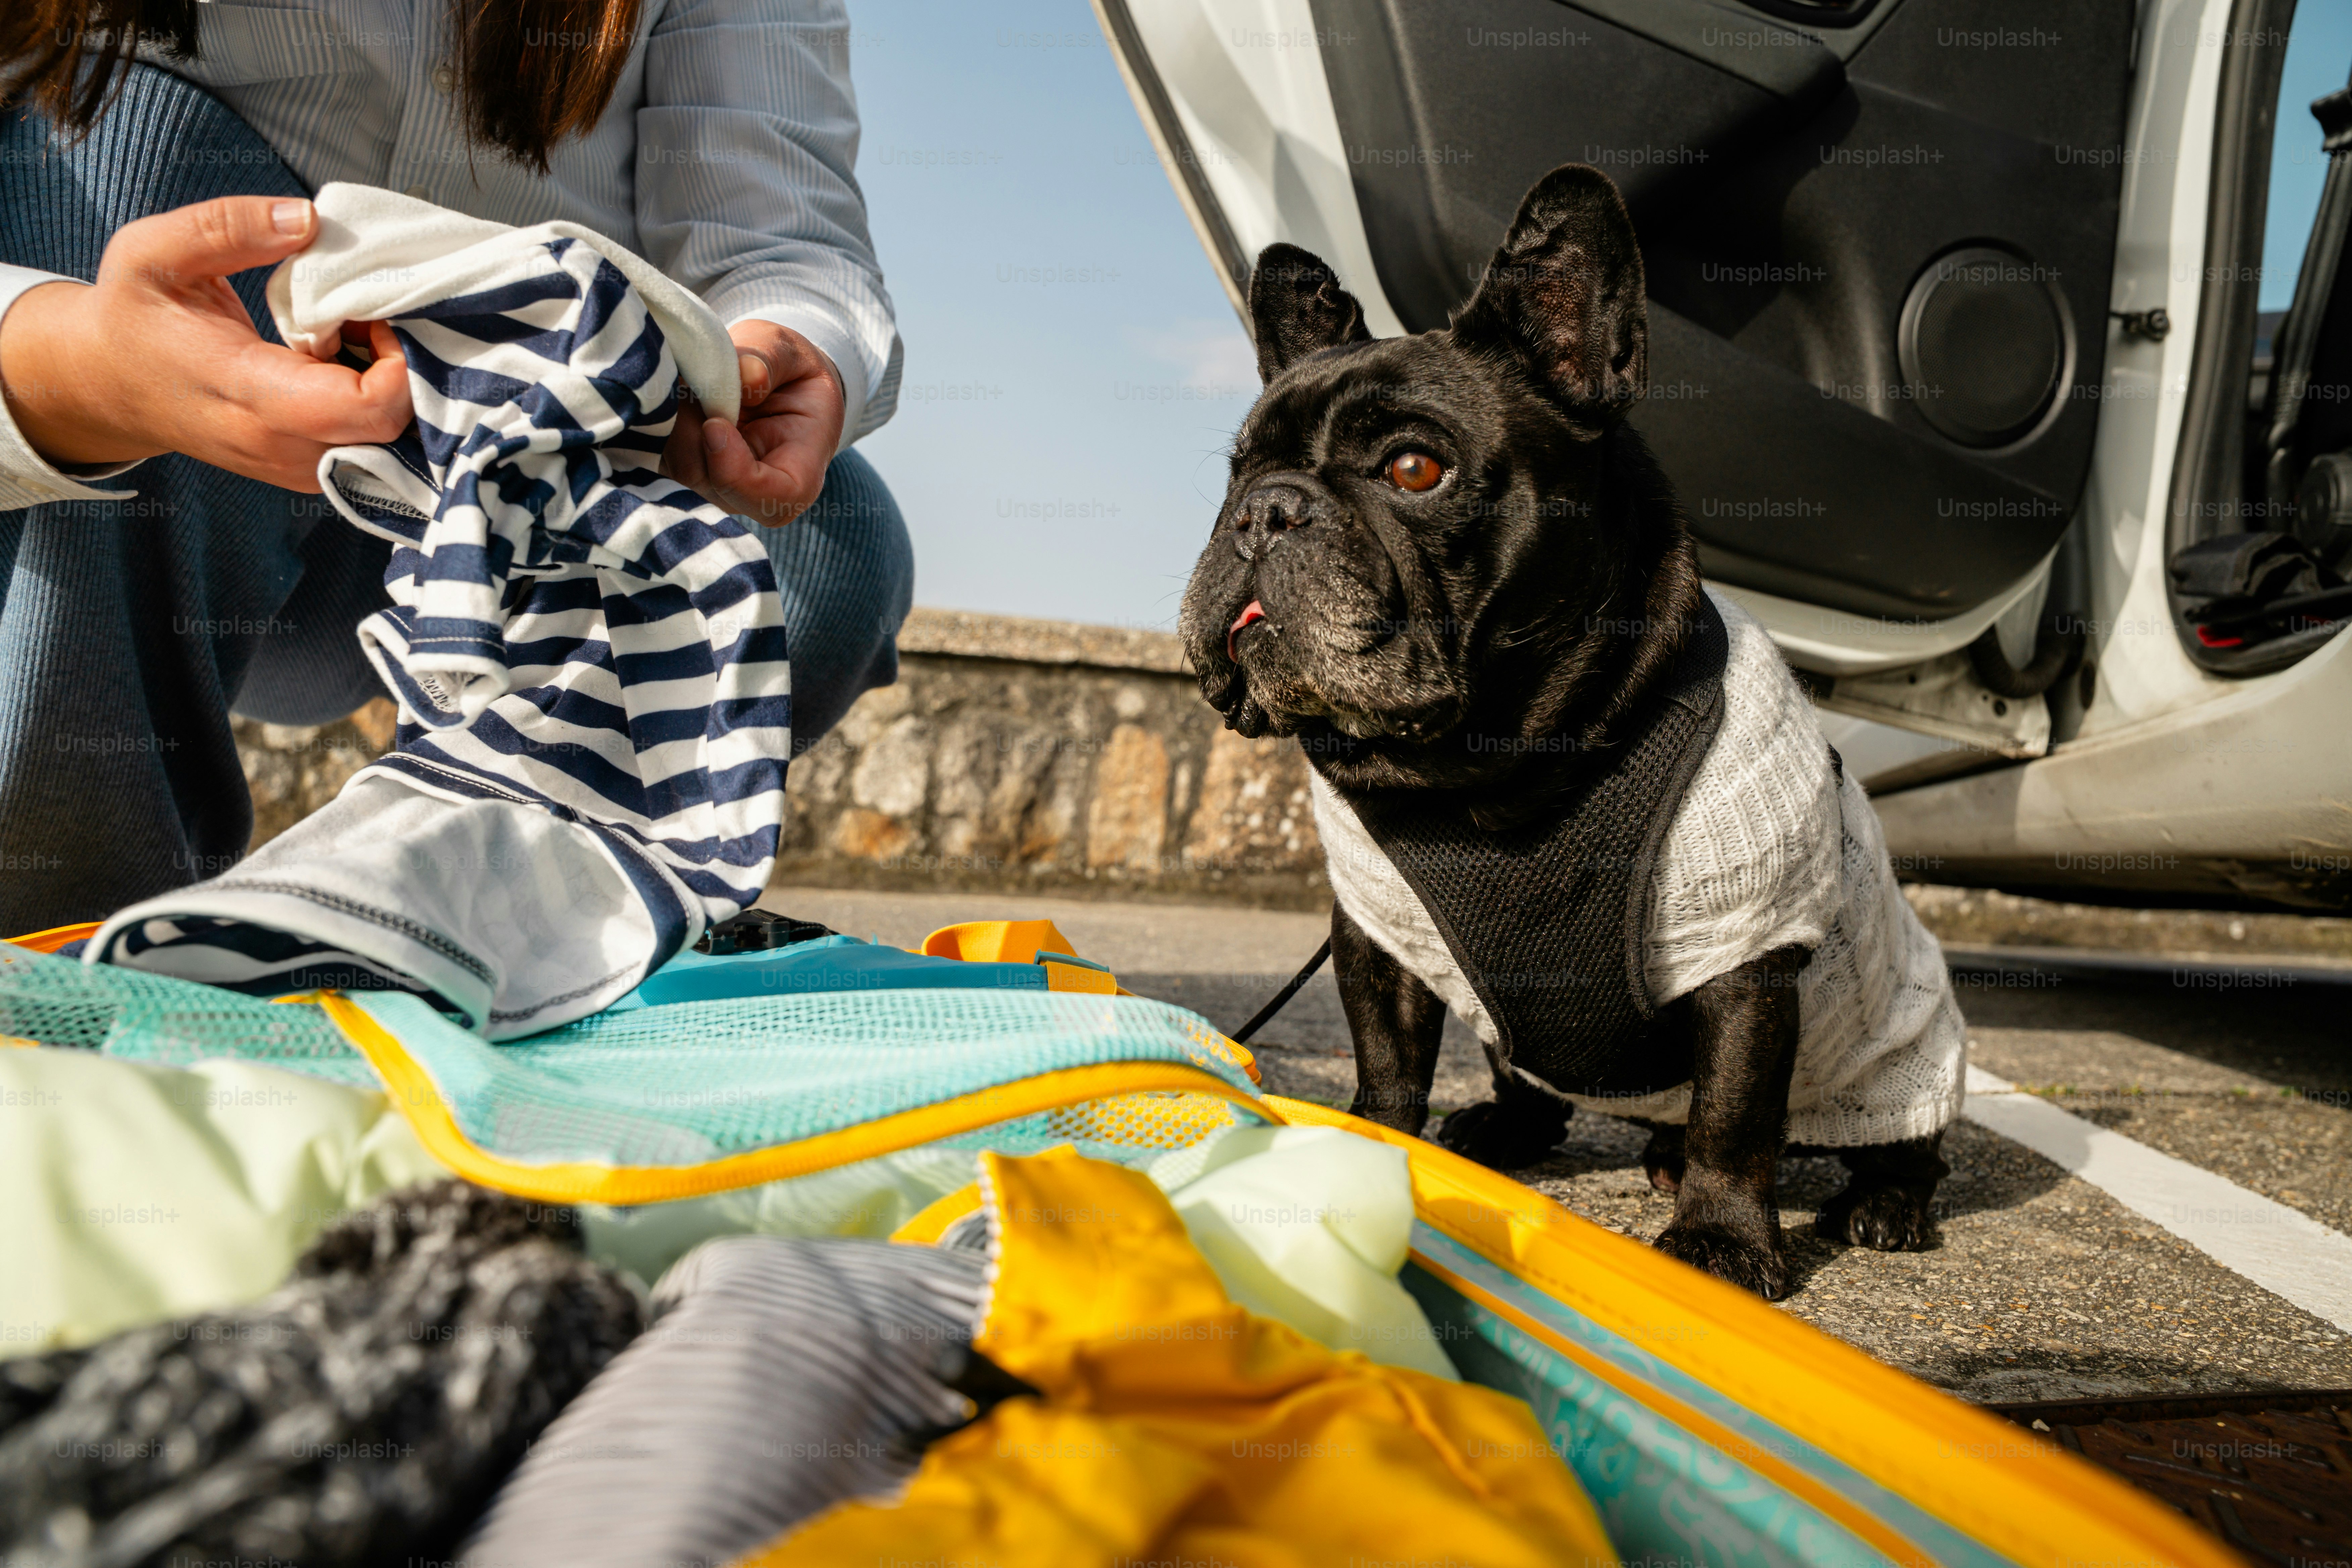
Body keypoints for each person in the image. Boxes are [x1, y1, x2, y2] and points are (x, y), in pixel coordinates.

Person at [0, 0, 914, 931]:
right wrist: (57, 366)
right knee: (130, 143)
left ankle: (494, 920)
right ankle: (55, 918)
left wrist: (780, 347)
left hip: (533, 489)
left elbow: (776, 234)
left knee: (826, 548)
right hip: (156, 457)